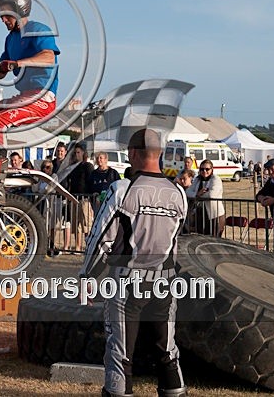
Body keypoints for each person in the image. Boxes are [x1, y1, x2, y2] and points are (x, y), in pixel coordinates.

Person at [81, 129, 187, 397]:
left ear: (132, 154)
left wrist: (86, 276)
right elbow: (175, 240)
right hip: (165, 282)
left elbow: (101, 239)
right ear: (159, 154)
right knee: (167, 350)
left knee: (120, 352)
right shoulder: (178, 193)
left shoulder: (122, 190)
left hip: (127, 281)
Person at [0, 0, 60, 205]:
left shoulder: (38, 30)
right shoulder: (11, 39)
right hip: (23, 96)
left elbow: (48, 57)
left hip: (42, 98)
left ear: (20, 10)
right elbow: (0, 70)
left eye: (6, 14)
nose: (3, 19)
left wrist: (19, 63)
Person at [64, 144, 95, 252]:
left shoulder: (88, 166)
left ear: (83, 153)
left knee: (86, 225)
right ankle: (77, 246)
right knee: (76, 225)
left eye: (78, 152)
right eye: (75, 153)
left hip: (85, 199)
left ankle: (89, 246)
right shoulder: (73, 167)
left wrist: (91, 197)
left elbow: (91, 182)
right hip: (74, 198)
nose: (76, 155)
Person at [186, 160, 225, 237]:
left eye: (207, 169)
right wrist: (197, 194)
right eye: (202, 169)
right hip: (200, 214)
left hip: (214, 214)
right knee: (201, 238)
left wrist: (198, 196)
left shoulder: (216, 179)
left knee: (214, 238)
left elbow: (211, 195)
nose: (204, 171)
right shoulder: (197, 179)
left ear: (212, 169)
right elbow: (188, 192)